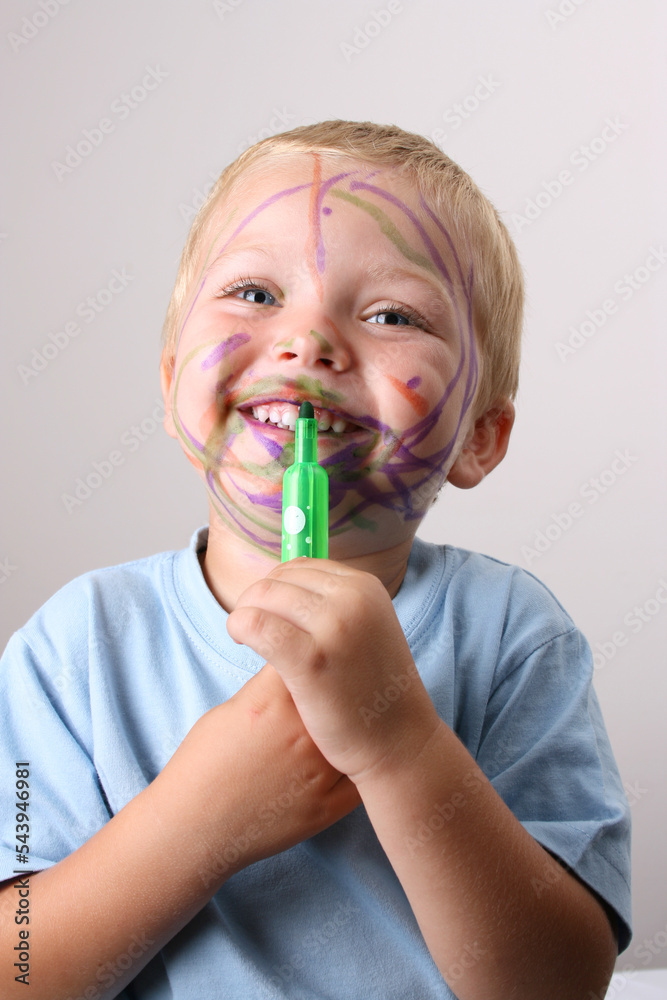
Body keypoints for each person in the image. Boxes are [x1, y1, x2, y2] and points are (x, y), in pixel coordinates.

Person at [0, 120, 631, 1000]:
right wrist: (201, 820)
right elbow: (19, 966)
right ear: (173, 381)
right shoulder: (75, 645)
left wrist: (400, 746)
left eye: (392, 315)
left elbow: (558, 986)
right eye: (255, 292)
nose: (308, 340)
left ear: (479, 437)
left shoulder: (513, 636)